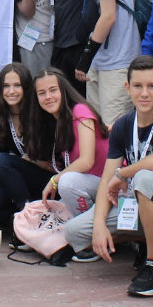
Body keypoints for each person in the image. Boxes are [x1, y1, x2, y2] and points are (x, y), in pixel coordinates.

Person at [67, 57, 153, 293]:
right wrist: (100, 224)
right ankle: (139, 240)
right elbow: (106, 179)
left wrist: (123, 174)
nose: (144, 93)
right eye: (138, 86)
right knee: (75, 232)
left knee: (143, 177)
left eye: (152, 86)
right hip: (137, 204)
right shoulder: (123, 125)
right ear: (127, 88)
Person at [0, 64, 52, 229]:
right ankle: (20, 215)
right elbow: (2, 159)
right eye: (6, 86)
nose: (11, 91)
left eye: (17, 85)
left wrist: (31, 161)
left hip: (46, 179)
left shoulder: (41, 112)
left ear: (26, 87)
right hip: (17, 181)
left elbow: (50, 162)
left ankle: (27, 216)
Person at [27, 69, 110, 222]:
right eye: (42, 93)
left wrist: (54, 180)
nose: (48, 97)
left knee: (67, 182)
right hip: (87, 187)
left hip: (109, 183)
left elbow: (86, 161)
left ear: (64, 91)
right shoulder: (57, 122)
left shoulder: (79, 110)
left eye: (53, 90)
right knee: (41, 216)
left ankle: (87, 231)